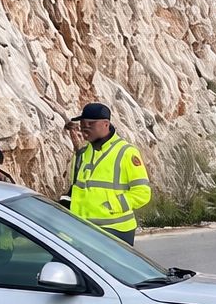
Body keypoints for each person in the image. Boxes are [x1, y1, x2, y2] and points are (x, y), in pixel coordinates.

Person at [64, 103, 151, 245]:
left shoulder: (126, 152)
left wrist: (110, 206)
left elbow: (142, 193)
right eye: (82, 123)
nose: (84, 127)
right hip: (83, 228)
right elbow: (76, 188)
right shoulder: (83, 153)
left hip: (115, 230)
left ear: (106, 124)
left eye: (90, 123)